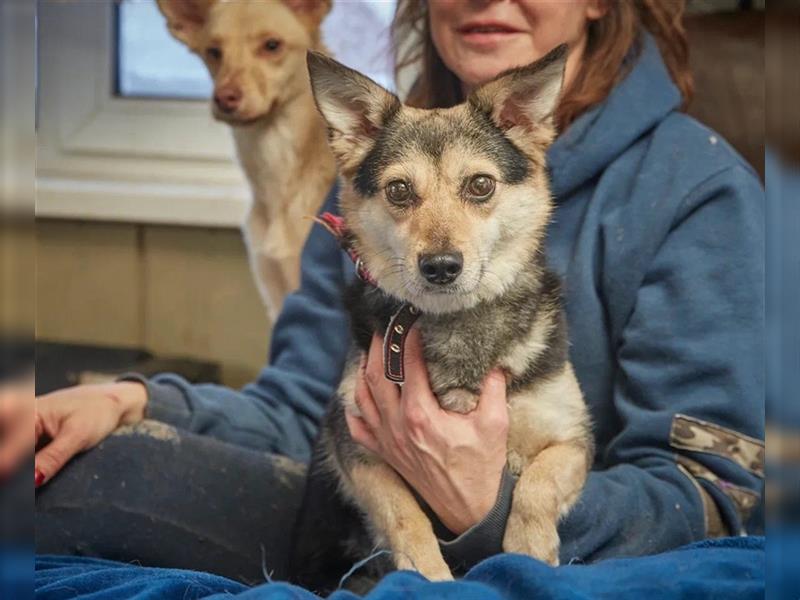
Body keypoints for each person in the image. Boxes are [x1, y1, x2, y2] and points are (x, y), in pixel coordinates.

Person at [31, 0, 764, 585]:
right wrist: (135, 402)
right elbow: (297, 407)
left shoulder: (697, 189)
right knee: (58, 483)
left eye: (480, 188)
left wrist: (492, 504)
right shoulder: (369, 192)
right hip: (355, 525)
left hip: (572, 547)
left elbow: (714, 493)